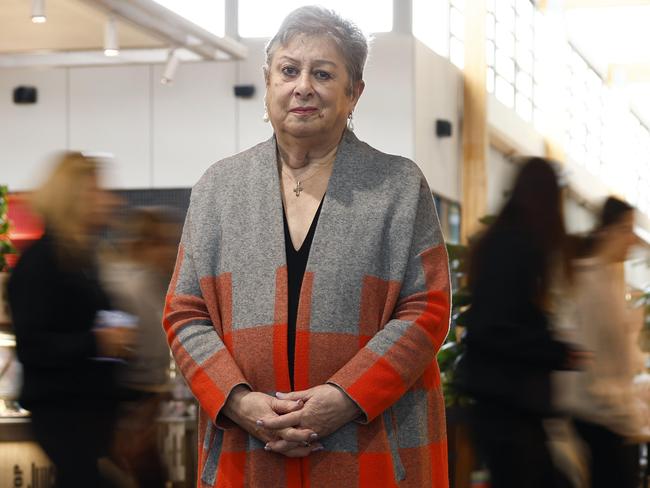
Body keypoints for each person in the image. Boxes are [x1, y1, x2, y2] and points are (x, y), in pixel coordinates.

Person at [163, 6, 451, 487]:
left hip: (370, 438)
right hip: (250, 440)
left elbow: (426, 308)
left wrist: (345, 397)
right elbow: (184, 312)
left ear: (353, 92)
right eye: (289, 70)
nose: (303, 87)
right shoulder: (219, 188)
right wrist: (238, 401)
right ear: (268, 79)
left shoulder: (397, 185)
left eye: (323, 73)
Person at [8, 151, 135, 487]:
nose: (106, 201)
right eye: (94, 191)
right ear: (72, 198)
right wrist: (99, 341)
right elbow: (33, 346)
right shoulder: (40, 264)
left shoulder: (83, 259)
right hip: (62, 412)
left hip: (90, 412)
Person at [457, 158, 585, 488]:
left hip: (501, 402)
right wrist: (557, 352)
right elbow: (497, 327)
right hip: (507, 403)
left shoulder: (503, 240)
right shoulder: (516, 245)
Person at [560, 197, 644, 488]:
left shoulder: (606, 278)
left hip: (607, 416)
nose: (632, 240)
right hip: (599, 417)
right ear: (610, 230)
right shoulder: (590, 279)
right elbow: (590, 356)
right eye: (627, 229)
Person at [101, 207, 182, 487]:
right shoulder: (126, 286)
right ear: (144, 243)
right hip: (129, 403)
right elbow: (117, 348)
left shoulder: (149, 284)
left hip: (141, 403)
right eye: (163, 242)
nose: (170, 252)